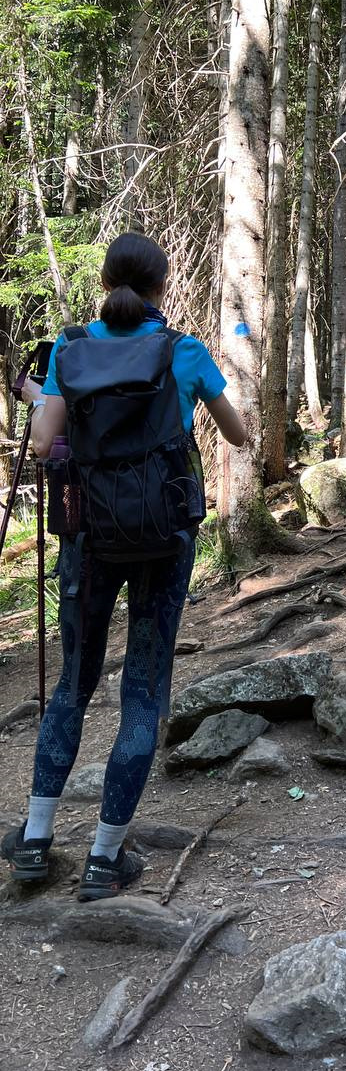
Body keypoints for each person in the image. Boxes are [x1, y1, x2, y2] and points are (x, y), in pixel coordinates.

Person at [2, 233, 246, 900]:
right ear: (162, 288)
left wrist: (38, 395)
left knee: (70, 690)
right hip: (165, 539)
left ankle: (35, 840)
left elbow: (47, 439)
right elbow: (238, 434)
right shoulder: (183, 352)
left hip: (88, 538)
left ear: (106, 282)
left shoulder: (71, 352)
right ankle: (106, 860)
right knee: (142, 691)